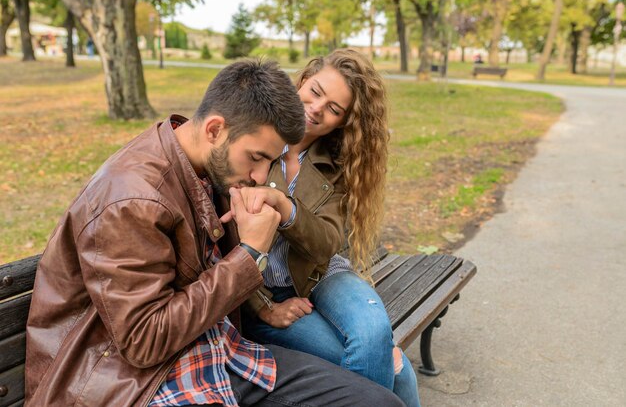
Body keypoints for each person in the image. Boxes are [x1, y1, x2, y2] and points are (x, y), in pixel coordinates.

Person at [24, 60, 404, 407]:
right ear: (214, 129)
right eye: (257, 158)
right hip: (130, 381)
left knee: (382, 401)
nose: (260, 177)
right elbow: (144, 342)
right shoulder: (132, 199)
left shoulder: (207, 163)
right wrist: (251, 251)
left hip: (220, 348)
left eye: (270, 161)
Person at [238, 49, 421, 407]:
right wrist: (263, 307)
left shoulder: (334, 164)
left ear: (342, 122)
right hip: (266, 291)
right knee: (397, 371)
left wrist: (289, 209)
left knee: (375, 338)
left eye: (335, 109)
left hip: (322, 274)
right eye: (316, 92)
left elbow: (326, 245)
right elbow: (225, 242)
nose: (318, 109)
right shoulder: (255, 135)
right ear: (303, 80)